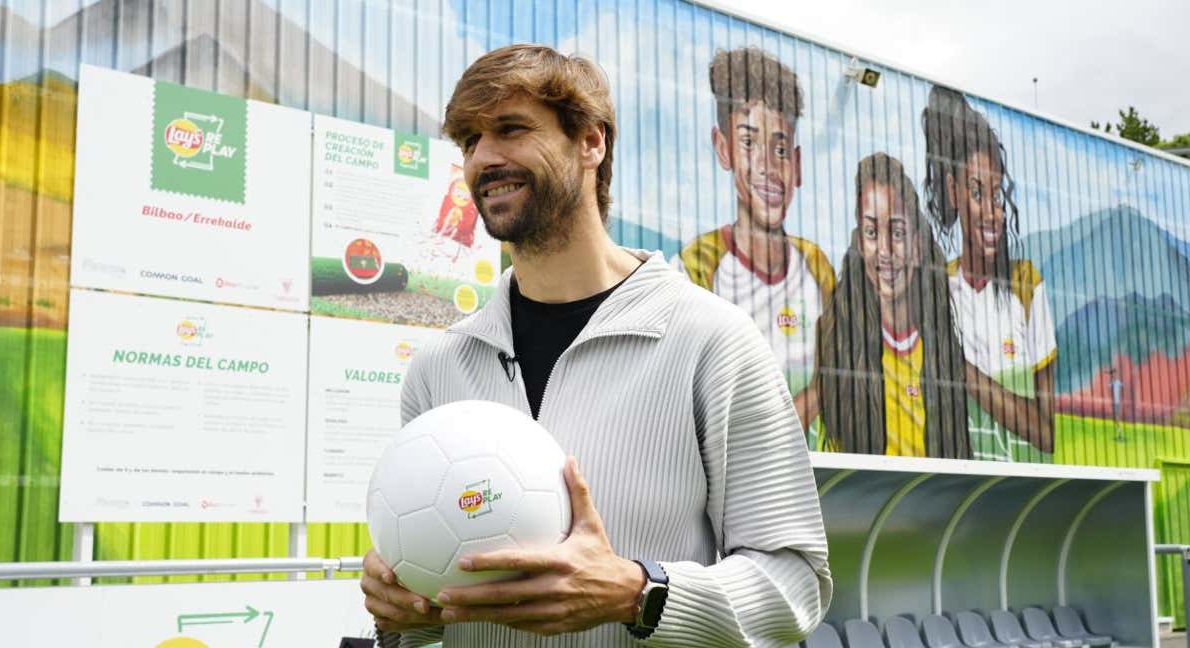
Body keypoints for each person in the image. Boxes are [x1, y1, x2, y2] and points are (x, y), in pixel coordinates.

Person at [360, 44, 831, 648]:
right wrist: (400, 611)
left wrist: (638, 593)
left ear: (591, 142)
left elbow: (796, 585)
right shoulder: (437, 369)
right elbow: (423, 620)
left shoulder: (712, 341)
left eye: (510, 129)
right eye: (470, 141)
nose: (484, 158)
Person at [674, 47, 835, 405]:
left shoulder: (818, 268)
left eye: (780, 150)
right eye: (749, 142)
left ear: (797, 163)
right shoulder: (695, 268)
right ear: (723, 148)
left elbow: (836, 382)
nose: (767, 166)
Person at [795, 153, 969, 458]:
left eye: (898, 232)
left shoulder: (939, 350)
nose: (885, 251)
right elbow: (794, 419)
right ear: (861, 244)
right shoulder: (841, 343)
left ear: (916, 247)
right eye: (873, 232)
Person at [921, 86, 1057, 462]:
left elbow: (1046, 434)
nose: (992, 212)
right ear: (953, 192)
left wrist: (963, 371)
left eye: (996, 195)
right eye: (977, 193)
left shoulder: (1026, 284)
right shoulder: (937, 289)